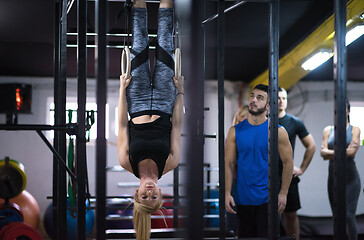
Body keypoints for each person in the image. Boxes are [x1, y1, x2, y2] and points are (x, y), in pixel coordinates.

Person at [117, 0, 184, 239]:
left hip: (136, 98)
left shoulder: (127, 162)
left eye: (144, 197)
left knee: (139, 37)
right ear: (160, 194)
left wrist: (122, 90)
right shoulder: (171, 163)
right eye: (153, 197)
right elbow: (176, 125)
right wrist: (180, 92)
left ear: (136, 194)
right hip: (166, 99)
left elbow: (122, 124)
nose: (149, 192)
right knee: (165, 36)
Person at [225, 84, 294, 238]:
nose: (253, 100)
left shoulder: (278, 131)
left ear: (268, 105)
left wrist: (283, 193)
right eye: (252, 96)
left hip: (268, 199)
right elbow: (228, 164)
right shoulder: (234, 131)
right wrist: (227, 193)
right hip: (242, 199)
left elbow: (288, 163)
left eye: (259, 98)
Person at [278, 87, 316, 240]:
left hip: (288, 175)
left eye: (284, 98)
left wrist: (301, 169)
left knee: (291, 215)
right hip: (266, 175)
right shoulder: (264, 121)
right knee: (266, 215)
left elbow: (311, 146)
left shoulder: (294, 122)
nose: (281, 101)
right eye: (278, 98)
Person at [320, 100, 361, 240]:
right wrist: (344, 151)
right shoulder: (328, 130)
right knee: (337, 217)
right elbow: (322, 154)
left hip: (351, 178)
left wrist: (330, 152)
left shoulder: (355, 129)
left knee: (349, 215)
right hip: (333, 178)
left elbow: (351, 154)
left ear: (348, 111)